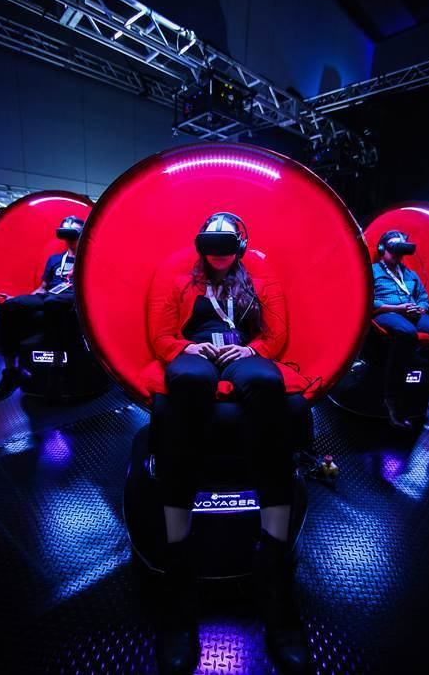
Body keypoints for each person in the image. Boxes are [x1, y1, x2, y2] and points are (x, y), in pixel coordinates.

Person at [151, 212, 311, 674]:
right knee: (184, 386)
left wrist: (252, 350)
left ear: (239, 246)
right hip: (195, 354)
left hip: (243, 352)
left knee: (266, 385)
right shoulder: (179, 279)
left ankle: (273, 561)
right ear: (200, 244)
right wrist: (187, 348)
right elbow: (161, 334)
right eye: (211, 243)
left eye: (227, 243)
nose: (219, 251)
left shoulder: (260, 280)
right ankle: (178, 568)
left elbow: (276, 334)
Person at [0, 215, 85, 403]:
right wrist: (19, 299)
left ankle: (56, 372)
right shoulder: (55, 259)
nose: (69, 235)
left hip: (71, 298)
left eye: (73, 230)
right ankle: (11, 373)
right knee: (10, 307)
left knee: (53, 304)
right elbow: (42, 288)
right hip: (49, 295)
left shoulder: (88, 259)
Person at [373, 230, 429, 429]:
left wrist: (421, 307)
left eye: (401, 250)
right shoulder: (373, 271)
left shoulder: (409, 273)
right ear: (382, 249)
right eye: (393, 249)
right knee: (406, 333)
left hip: (413, 313)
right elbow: (368, 301)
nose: (398, 255)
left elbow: (423, 297)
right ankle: (392, 399)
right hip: (387, 313)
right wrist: (396, 308)